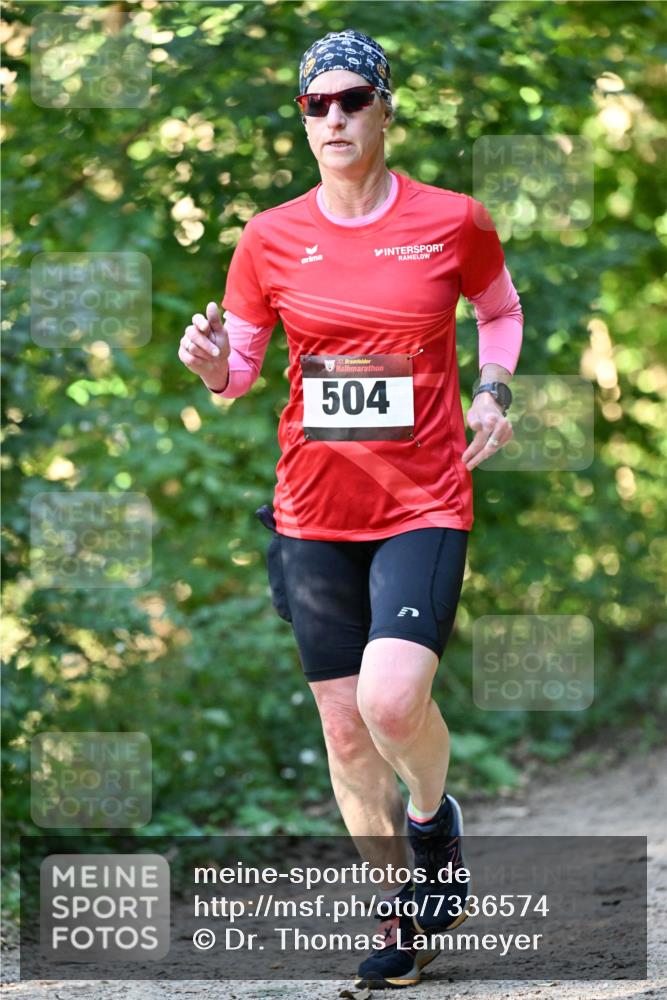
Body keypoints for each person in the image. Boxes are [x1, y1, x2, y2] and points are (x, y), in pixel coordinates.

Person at [179, 28, 523, 991]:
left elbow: (499, 311)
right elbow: (238, 374)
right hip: (310, 512)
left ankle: (433, 822)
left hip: (422, 501)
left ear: (383, 109)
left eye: (351, 100)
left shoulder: (452, 220)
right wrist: (211, 365)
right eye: (314, 104)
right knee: (341, 730)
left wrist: (492, 391)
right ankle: (399, 916)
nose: (332, 118)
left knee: (390, 701)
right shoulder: (268, 237)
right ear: (302, 119)